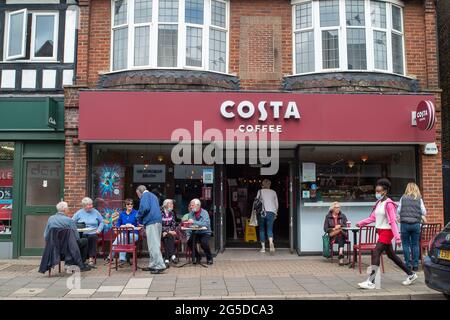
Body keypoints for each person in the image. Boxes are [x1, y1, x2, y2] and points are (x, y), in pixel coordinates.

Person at [356, 179, 417, 289]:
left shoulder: (389, 204)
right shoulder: (379, 203)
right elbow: (372, 217)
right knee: (391, 255)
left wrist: (397, 238)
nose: (377, 193)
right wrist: (361, 223)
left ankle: (371, 281)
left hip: (387, 232)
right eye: (376, 190)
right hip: (381, 231)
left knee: (376, 252)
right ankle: (411, 274)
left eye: (379, 191)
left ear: (385, 191)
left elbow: (393, 221)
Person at [43, 201, 91, 271]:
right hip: (68, 248)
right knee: (84, 241)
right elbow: (76, 237)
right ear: (64, 210)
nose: (68, 210)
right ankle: (80, 264)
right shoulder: (69, 221)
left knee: (75, 244)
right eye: (68, 208)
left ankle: (70, 263)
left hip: (54, 248)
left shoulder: (51, 219)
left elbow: (45, 235)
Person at [136, 185, 166, 274]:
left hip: (151, 221)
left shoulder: (145, 195)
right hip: (157, 221)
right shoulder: (153, 196)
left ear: (139, 192)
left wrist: (138, 217)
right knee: (155, 243)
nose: (138, 196)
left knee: (153, 245)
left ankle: (160, 265)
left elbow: (144, 208)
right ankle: (153, 265)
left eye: (137, 194)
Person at [397, 182, 427, 271]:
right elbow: (424, 212)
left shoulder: (403, 198)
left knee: (406, 244)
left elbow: (398, 211)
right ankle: (416, 265)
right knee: (415, 244)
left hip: (405, 224)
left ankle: (407, 264)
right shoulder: (419, 199)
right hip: (416, 224)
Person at [106, 198, 139, 266]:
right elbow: (118, 223)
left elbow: (139, 223)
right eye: (128, 204)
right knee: (120, 239)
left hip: (134, 234)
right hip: (124, 234)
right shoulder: (122, 214)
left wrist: (134, 225)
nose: (130, 205)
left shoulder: (136, 213)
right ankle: (119, 259)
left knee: (121, 238)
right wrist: (117, 228)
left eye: (131, 204)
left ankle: (115, 258)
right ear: (125, 205)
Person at [72, 197, 104, 267]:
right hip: (82, 233)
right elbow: (72, 222)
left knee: (92, 237)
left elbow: (102, 222)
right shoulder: (79, 213)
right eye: (88, 205)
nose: (91, 206)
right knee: (81, 239)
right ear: (84, 206)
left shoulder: (95, 212)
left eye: (91, 204)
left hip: (93, 232)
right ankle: (81, 259)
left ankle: (91, 258)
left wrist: (99, 230)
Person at [186, 199, 213, 265]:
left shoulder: (205, 213)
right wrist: (188, 234)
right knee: (189, 242)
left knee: (204, 243)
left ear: (198, 205)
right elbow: (190, 225)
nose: (191, 207)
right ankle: (198, 256)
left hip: (205, 232)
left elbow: (206, 224)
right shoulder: (191, 213)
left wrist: (194, 222)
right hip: (196, 232)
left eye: (192, 205)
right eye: (190, 205)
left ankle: (209, 258)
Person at [256, 179, 278, 254]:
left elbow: (256, 202)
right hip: (271, 212)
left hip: (262, 212)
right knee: (270, 229)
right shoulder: (273, 192)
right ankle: (271, 243)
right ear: (270, 184)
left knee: (262, 229)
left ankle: (263, 248)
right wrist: (275, 213)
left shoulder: (260, 191)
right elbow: (276, 204)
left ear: (262, 184)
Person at [323, 202, 348, 266]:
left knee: (340, 235)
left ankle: (340, 254)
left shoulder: (343, 216)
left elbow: (346, 225)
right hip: (332, 236)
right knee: (340, 234)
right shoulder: (328, 216)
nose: (338, 209)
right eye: (336, 207)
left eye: (339, 207)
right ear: (332, 209)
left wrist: (340, 225)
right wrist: (333, 228)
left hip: (341, 236)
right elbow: (325, 228)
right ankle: (341, 255)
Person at [161, 199, 179, 266]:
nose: (172, 205)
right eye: (170, 204)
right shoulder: (160, 212)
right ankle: (173, 256)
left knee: (168, 238)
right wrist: (167, 231)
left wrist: (169, 231)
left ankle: (166, 260)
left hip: (168, 233)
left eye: (172, 204)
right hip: (161, 233)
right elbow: (159, 224)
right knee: (168, 236)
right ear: (166, 205)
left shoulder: (172, 213)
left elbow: (174, 224)